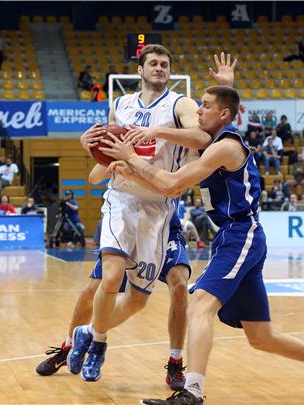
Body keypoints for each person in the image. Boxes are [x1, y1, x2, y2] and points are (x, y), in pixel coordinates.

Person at [103, 86, 304, 404]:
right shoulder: (214, 144)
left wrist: (131, 157)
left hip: (242, 234)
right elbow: (170, 185)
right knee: (261, 336)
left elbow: (172, 184)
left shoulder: (225, 147)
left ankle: (193, 392)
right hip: (237, 236)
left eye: (205, 106)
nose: (198, 111)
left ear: (223, 114)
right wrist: (130, 169)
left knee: (199, 305)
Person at [66, 49, 236, 383]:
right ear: (140, 69)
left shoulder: (181, 104)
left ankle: (88, 332)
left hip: (157, 207)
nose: (159, 68)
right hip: (121, 200)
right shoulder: (121, 104)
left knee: (138, 301)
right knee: (109, 278)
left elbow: (202, 137)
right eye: (153, 63)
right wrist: (86, 144)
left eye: (165, 65)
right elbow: (104, 152)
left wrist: (157, 132)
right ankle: (97, 343)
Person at [36, 164, 191, 391]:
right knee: (95, 289)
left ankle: (175, 361)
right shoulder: (129, 138)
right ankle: (70, 346)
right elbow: (94, 175)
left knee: (179, 286)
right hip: (127, 221)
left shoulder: (174, 142)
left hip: (165, 225)